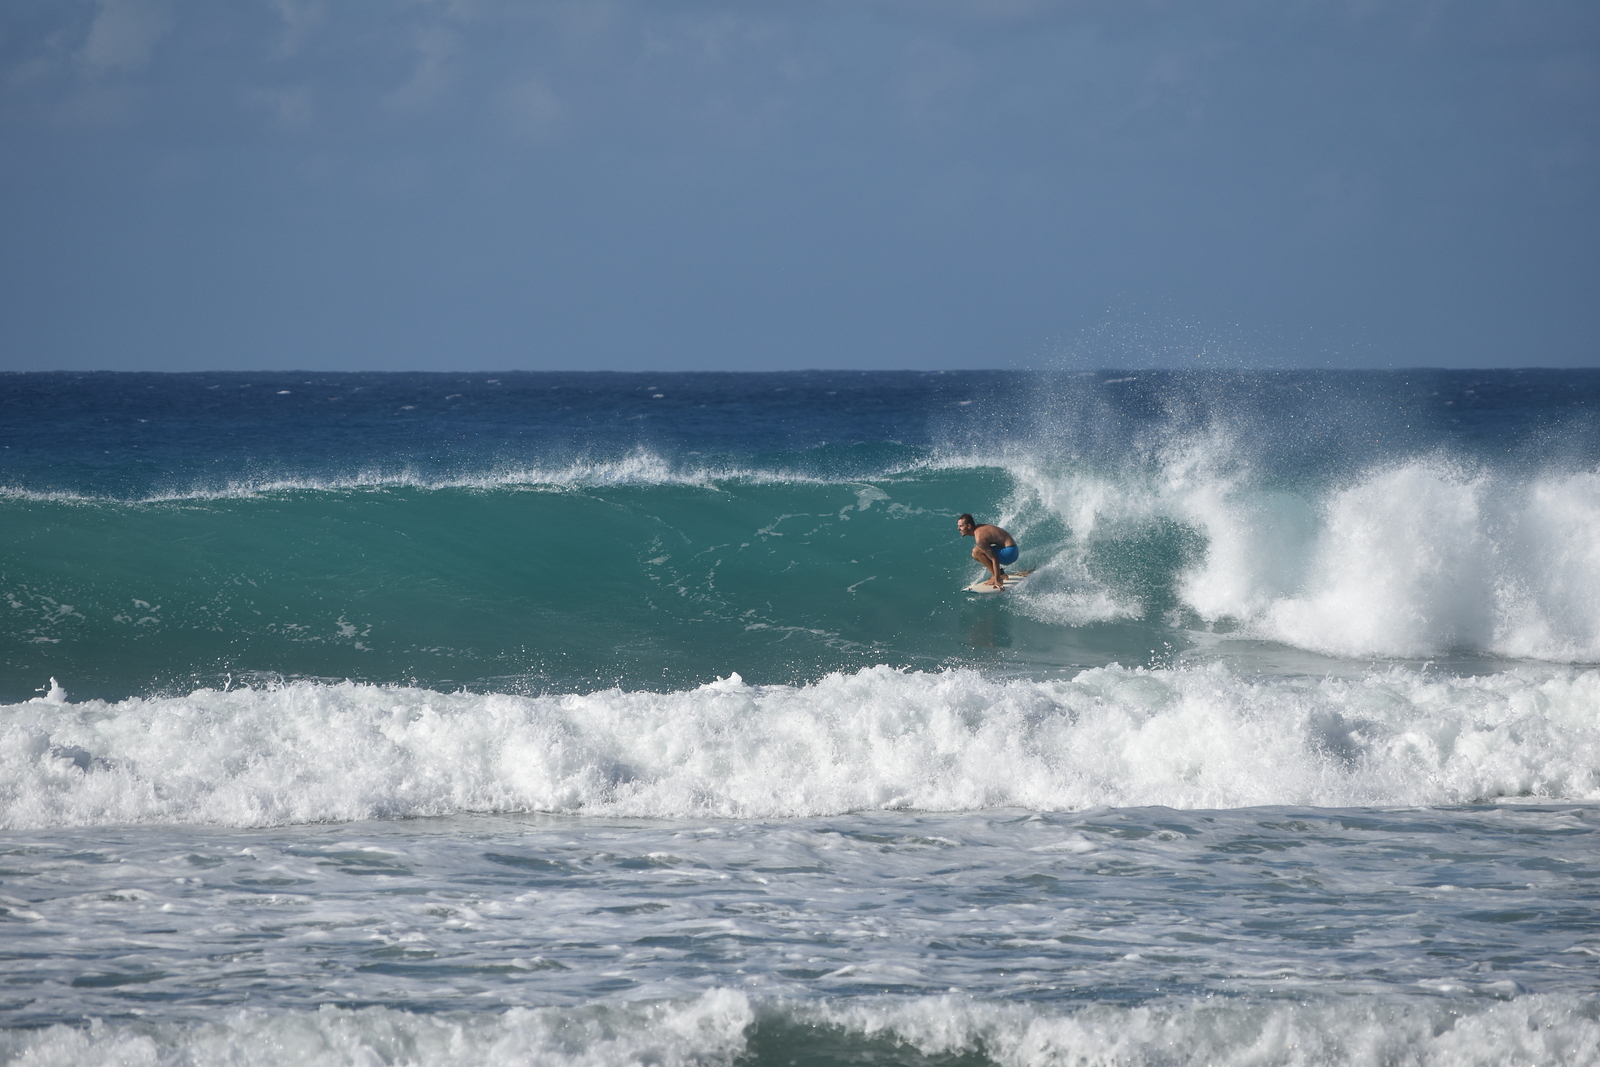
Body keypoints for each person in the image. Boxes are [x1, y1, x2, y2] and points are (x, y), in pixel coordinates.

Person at [957, 513, 1018, 589]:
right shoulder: (979, 528)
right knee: (979, 551)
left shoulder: (979, 538)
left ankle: (999, 576)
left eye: (961, 526)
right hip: (1013, 551)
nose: (958, 528)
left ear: (969, 526)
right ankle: (1000, 574)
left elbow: (994, 559)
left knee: (976, 552)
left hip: (1009, 554)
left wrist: (997, 580)